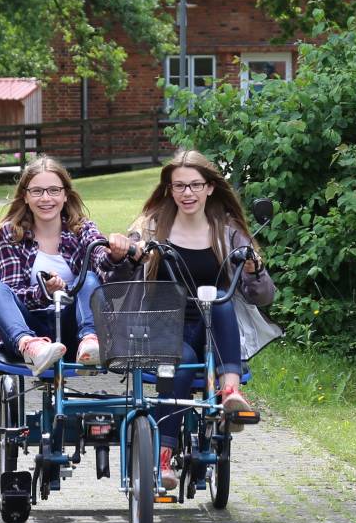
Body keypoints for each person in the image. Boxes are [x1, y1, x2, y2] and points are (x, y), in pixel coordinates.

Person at [118, 149, 275, 490]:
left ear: (210, 188)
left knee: (220, 302)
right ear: (169, 189)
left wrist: (254, 268)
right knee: (183, 359)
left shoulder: (229, 231)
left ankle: (230, 391)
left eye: (194, 185)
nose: (187, 193)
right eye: (179, 186)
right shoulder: (151, 226)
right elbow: (119, 271)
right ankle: (164, 454)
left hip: (215, 328)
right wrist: (128, 254)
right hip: (161, 325)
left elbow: (262, 295)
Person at [0, 157, 130, 376]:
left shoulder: (82, 229)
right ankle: (32, 347)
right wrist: (44, 291)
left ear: (65, 195)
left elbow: (99, 258)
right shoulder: (10, 235)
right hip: (27, 327)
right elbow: (12, 292)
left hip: (71, 328)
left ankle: (90, 341)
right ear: (25, 197)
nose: (46, 198)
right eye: (37, 191)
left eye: (53, 190)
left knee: (88, 278)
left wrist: (114, 255)